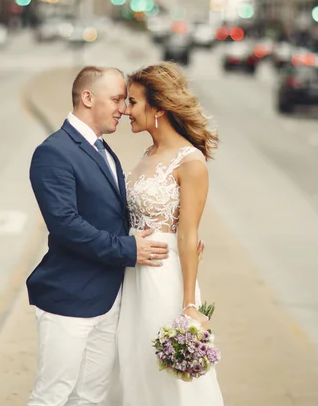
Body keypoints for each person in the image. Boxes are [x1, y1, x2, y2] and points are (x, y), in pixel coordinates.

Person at [26, 65, 170, 406]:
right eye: (117, 99)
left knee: (90, 397)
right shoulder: (54, 152)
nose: (122, 108)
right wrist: (128, 249)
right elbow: (65, 224)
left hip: (108, 298)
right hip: (69, 297)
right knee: (53, 395)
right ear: (88, 98)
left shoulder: (104, 150)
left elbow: (110, 216)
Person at [108, 62, 225, 405]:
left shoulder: (190, 162)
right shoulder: (147, 154)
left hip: (163, 280)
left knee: (166, 376)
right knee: (132, 364)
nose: (125, 110)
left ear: (158, 107)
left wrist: (189, 304)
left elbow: (189, 235)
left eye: (133, 102)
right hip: (132, 276)